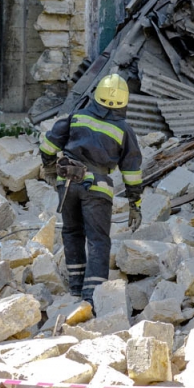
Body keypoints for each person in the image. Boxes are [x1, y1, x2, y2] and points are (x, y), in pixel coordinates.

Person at [39, 73, 143, 309]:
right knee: (97, 240)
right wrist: (135, 206)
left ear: (96, 96)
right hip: (97, 188)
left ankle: (76, 286)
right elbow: (132, 171)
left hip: (67, 184)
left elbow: (48, 145)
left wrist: (48, 169)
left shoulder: (76, 117)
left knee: (72, 232)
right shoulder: (124, 130)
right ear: (124, 102)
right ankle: (92, 294)